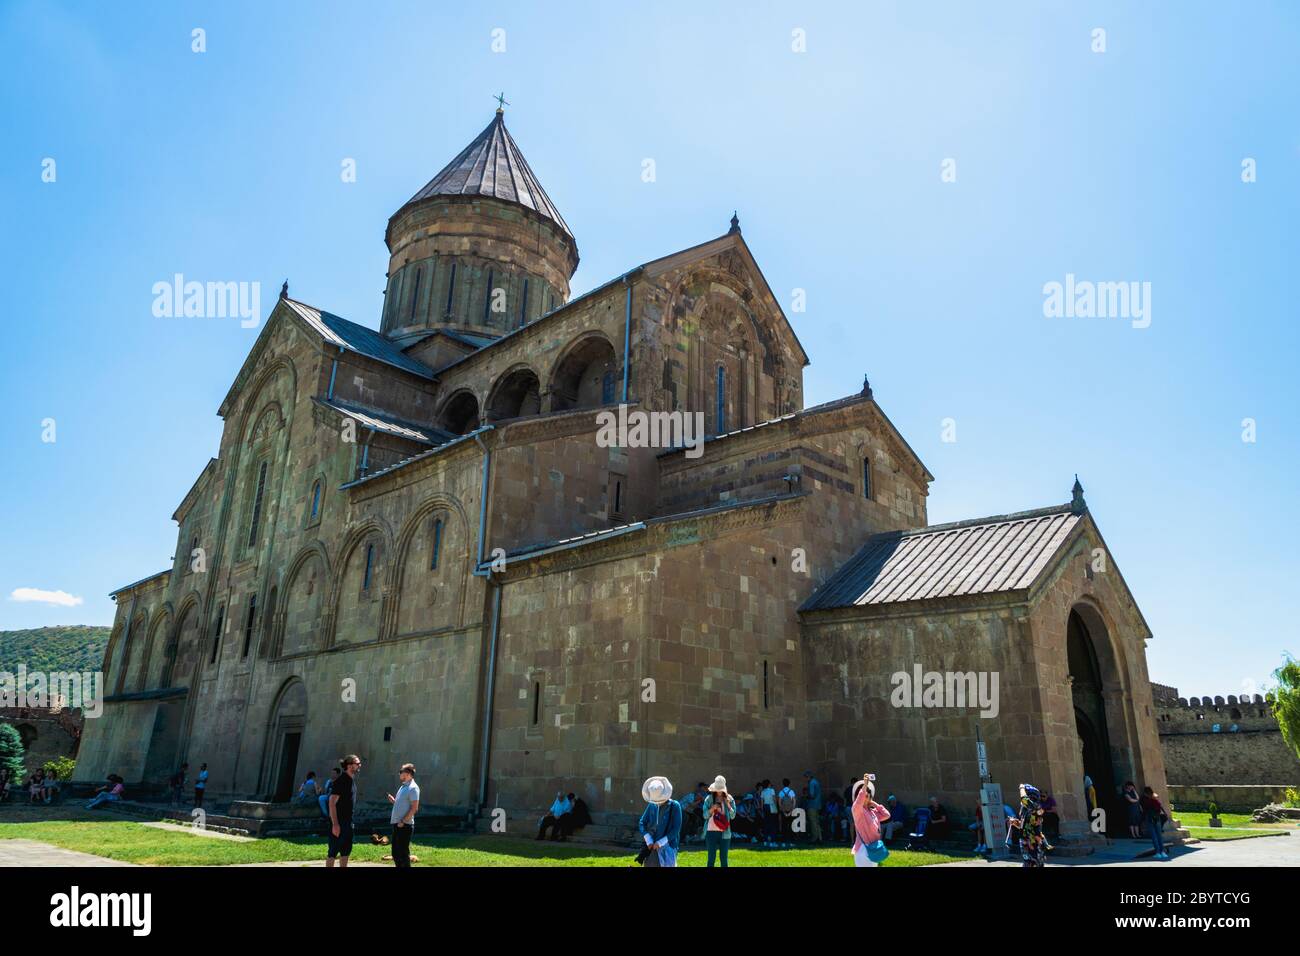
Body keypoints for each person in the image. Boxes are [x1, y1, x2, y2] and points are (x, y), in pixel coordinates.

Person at [637, 775, 682, 867]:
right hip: (651, 847)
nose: (658, 803)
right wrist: (648, 838)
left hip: (668, 846)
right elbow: (642, 822)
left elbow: (676, 829)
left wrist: (661, 842)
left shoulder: (675, 806)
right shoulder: (652, 805)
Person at [327, 754, 361, 868]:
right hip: (339, 822)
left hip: (348, 822)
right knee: (332, 852)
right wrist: (335, 824)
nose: (359, 765)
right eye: (357, 763)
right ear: (349, 765)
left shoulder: (351, 781)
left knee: (346, 852)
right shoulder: (341, 781)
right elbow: (332, 803)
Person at [849, 772, 890, 868]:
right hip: (863, 850)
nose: (865, 797)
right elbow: (859, 801)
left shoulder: (872, 812)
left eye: (867, 796)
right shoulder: (857, 810)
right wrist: (865, 784)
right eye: (863, 795)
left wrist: (875, 804)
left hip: (873, 849)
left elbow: (887, 815)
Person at [1007, 783, 1052, 868]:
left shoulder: (1036, 807)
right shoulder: (1025, 810)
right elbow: (1024, 826)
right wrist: (1015, 822)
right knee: (1028, 863)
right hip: (1026, 844)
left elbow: (1024, 799)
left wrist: (1022, 788)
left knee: (1034, 863)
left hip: (1034, 844)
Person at [386, 763, 420, 868]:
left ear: (408, 773)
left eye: (401, 771)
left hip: (404, 825)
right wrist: (394, 801)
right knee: (396, 853)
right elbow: (403, 804)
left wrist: (403, 821)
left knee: (402, 854)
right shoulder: (403, 786)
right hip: (398, 824)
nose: (399, 773)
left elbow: (414, 808)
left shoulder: (413, 788)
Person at [702, 775, 736, 867]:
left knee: (724, 859)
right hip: (711, 832)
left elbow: (733, 816)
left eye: (721, 789)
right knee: (711, 859)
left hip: (725, 833)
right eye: (717, 789)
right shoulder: (709, 799)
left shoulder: (730, 798)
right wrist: (712, 808)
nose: (719, 791)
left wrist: (728, 805)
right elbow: (705, 816)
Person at [1140, 786, 1169, 860]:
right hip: (1157, 818)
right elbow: (1160, 806)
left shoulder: (1144, 799)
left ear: (1145, 792)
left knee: (1154, 836)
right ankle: (1163, 852)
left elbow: (1143, 809)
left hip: (1149, 818)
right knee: (1159, 835)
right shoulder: (1155, 798)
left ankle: (1158, 852)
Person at [803, 770, 823, 843]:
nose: (805, 779)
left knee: (813, 822)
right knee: (817, 822)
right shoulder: (816, 782)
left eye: (805, 777)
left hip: (812, 805)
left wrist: (805, 796)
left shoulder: (811, 783)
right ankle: (820, 838)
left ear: (808, 777)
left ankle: (815, 838)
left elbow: (812, 795)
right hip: (818, 805)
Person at [777, 777, 798, 845]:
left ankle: (784, 838)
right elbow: (794, 801)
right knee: (791, 824)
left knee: (784, 824)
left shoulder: (781, 792)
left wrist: (783, 811)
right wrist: (792, 810)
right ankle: (791, 838)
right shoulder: (791, 791)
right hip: (790, 810)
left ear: (783, 784)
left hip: (784, 810)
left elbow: (779, 803)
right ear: (789, 784)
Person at [760, 779, 778, 845]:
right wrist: (776, 807)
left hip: (765, 806)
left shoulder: (763, 791)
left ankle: (765, 839)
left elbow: (762, 801)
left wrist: (762, 809)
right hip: (771, 806)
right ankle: (773, 840)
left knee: (766, 823)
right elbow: (774, 799)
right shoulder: (772, 790)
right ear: (768, 784)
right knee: (772, 823)